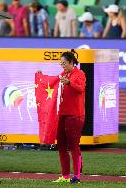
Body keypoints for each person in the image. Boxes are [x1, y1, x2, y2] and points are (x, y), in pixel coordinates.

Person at [37, 50, 86, 184]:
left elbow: (81, 88)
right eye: (61, 63)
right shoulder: (64, 73)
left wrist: (69, 83)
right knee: (62, 146)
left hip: (75, 115)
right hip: (63, 114)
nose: (62, 65)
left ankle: (77, 176)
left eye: (64, 63)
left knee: (74, 146)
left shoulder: (79, 74)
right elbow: (52, 81)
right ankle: (65, 176)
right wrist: (41, 77)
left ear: (71, 62)